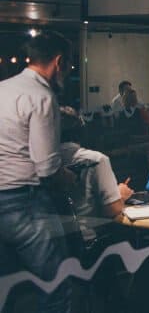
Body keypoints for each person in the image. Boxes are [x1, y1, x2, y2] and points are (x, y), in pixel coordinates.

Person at [0, 31, 75, 313]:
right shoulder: (42, 96)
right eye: (68, 65)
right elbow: (46, 167)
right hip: (24, 202)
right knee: (57, 286)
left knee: (7, 289)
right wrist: (69, 177)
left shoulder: (3, 88)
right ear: (58, 62)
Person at [60, 108, 134, 241]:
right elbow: (112, 209)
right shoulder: (95, 160)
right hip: (91, 240)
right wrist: (121, 195)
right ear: (81, 131)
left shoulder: (37, 164)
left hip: (55, 243)